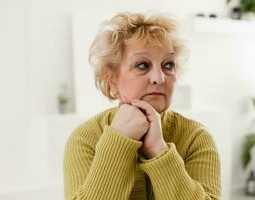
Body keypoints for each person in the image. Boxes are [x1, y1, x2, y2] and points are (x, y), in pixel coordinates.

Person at [63, 11, 221, 200]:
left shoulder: (196, 138)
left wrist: (159, 152)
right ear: (112, 79)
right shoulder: (86, 138)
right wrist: (119, 141)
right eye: (142, 65)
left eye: (168, 65)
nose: (159, 78)